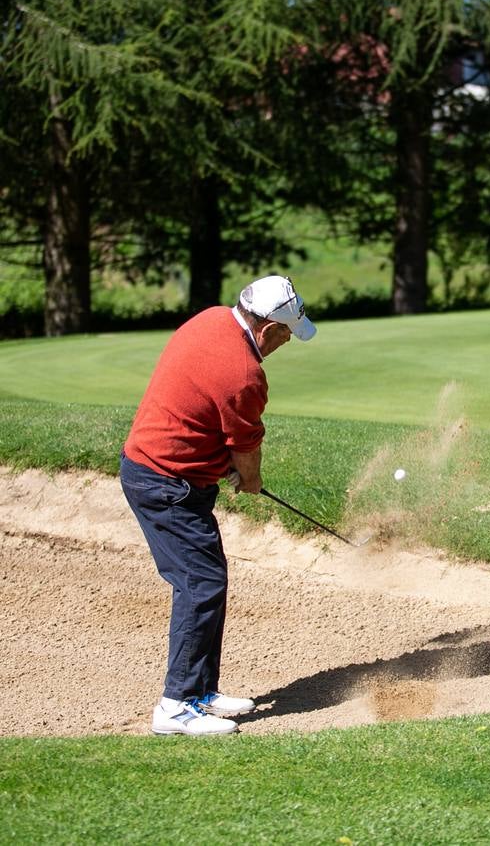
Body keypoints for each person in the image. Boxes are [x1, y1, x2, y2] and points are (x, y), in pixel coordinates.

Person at [120, 275, 317, 735]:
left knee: (207, 579)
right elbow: (245, 448)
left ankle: (201, 691)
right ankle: (175, 707)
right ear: (267, 328)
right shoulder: (246, 373)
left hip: (163, 470)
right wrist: (250, 480)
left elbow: (204, 411)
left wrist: (217, 461)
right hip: (165, 482)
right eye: (287, 332)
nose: (287, 341)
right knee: (201, 583)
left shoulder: (211, 319)